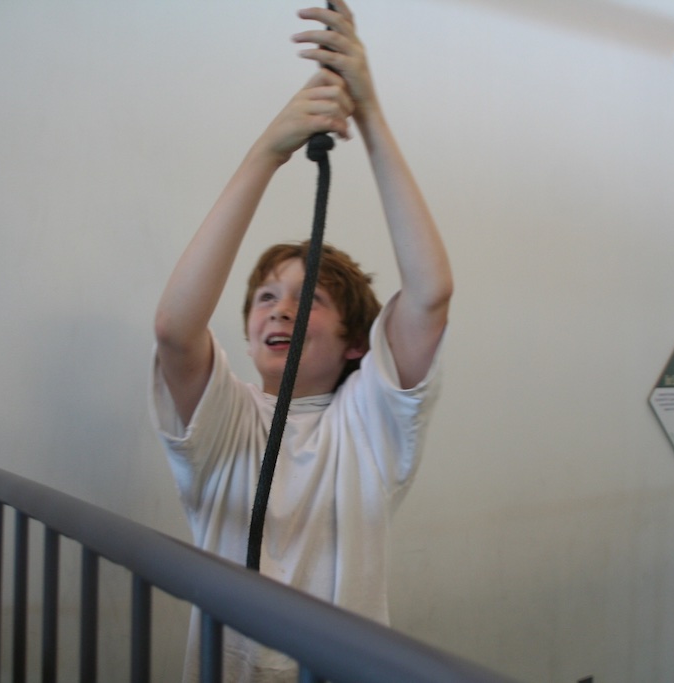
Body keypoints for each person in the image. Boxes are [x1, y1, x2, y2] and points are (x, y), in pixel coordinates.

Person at [150, 1, 452, 680]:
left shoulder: (368, 424)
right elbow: (174, 329)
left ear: (356, 345)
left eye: (307, 298)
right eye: (265, 297)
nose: (279, 310)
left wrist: (369, 115)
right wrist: (268, 151)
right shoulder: (226, 420)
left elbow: (430, 294)